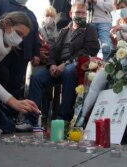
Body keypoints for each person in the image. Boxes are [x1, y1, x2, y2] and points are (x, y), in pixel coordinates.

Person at [16, 1, 100, 132]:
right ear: (71, 14)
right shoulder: (63, 31)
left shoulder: (90, 29)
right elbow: (54, 51)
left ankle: (63, 120)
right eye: (78, 12)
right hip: (58, 68)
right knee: (36, 77)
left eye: (84, 13)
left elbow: (91, 48)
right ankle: (31, 120)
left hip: (76, 66)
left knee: (69, 71)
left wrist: (65, 63)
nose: (81, 15)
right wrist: (52, 65)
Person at [0, 0, 41, 133]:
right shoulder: (0, 3)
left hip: (23, 55)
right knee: (0, 79)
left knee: (15, 85)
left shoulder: (31, 14)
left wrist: (36, 53)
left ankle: (10, 116)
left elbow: (35, 35)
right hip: (2, 52)